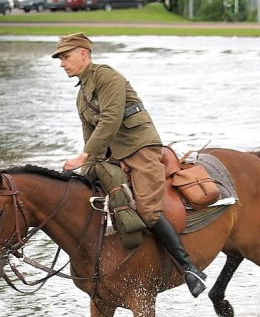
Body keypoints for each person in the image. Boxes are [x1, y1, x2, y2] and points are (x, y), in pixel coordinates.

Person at [52, 32, 207, 298]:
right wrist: (87, 165)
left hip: (139, 147)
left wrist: (83, 155)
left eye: (66, 57)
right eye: (60, 59)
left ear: (83, 54)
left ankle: (189, 268)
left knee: (148, 211)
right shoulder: (81, 95)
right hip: (112, 155)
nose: (62, 64)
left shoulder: (106, 76)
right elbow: (90, 132)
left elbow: (110, 119)